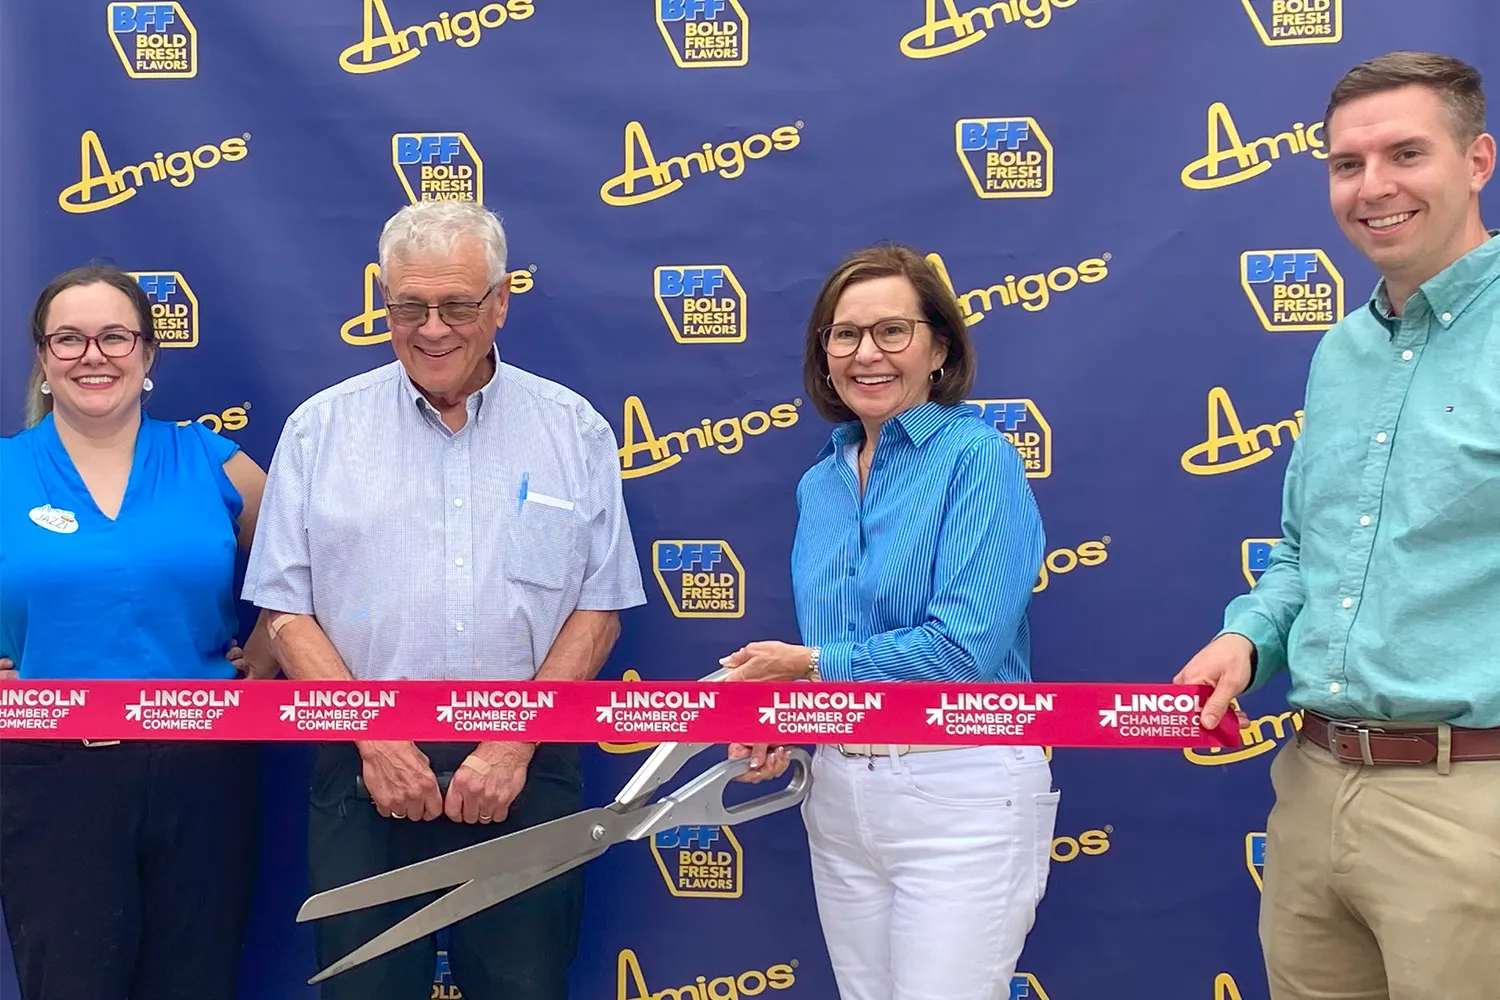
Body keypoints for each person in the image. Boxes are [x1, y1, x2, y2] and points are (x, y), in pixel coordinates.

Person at [243, 199, 647, 1000]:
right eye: (408, 306)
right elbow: (286, 612)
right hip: (366, 772)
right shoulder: (321, 430)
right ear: (384, 304)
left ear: (500, 302)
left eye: (458, 305)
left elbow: (598, 609)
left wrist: (511, 745)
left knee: (524, 986)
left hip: (526, 770)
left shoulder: (575, 431)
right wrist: (378, 738)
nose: (432, 328)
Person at [1174, 51, 1499, 999]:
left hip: (1470, 801)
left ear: (1478, 160)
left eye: (1406, 153)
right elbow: (1306, 552)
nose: (1374, 187)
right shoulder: (1343, 351)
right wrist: (1248, 639)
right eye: (1346, 164)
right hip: (1312, 788)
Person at [720, 243, 1057, 1000]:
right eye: (844, 335)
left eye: (891, 332)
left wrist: (805, 667)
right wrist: (785, 709)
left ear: (939, 347)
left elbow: (961, 654)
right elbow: (839, 656)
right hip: (839, 794)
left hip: (961, 789)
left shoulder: (980, 461)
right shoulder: (821, 481)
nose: (865, 354)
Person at [0, 263, 276, 1000]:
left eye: (114, 336)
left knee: (196, 983)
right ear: (44, 358)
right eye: (69, 338)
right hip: (52, 778)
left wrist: (274, 656)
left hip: (205, 772)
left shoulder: (212, 461)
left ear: (148, 355)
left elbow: (306, 567)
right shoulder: (4, 473)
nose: (93, 355)